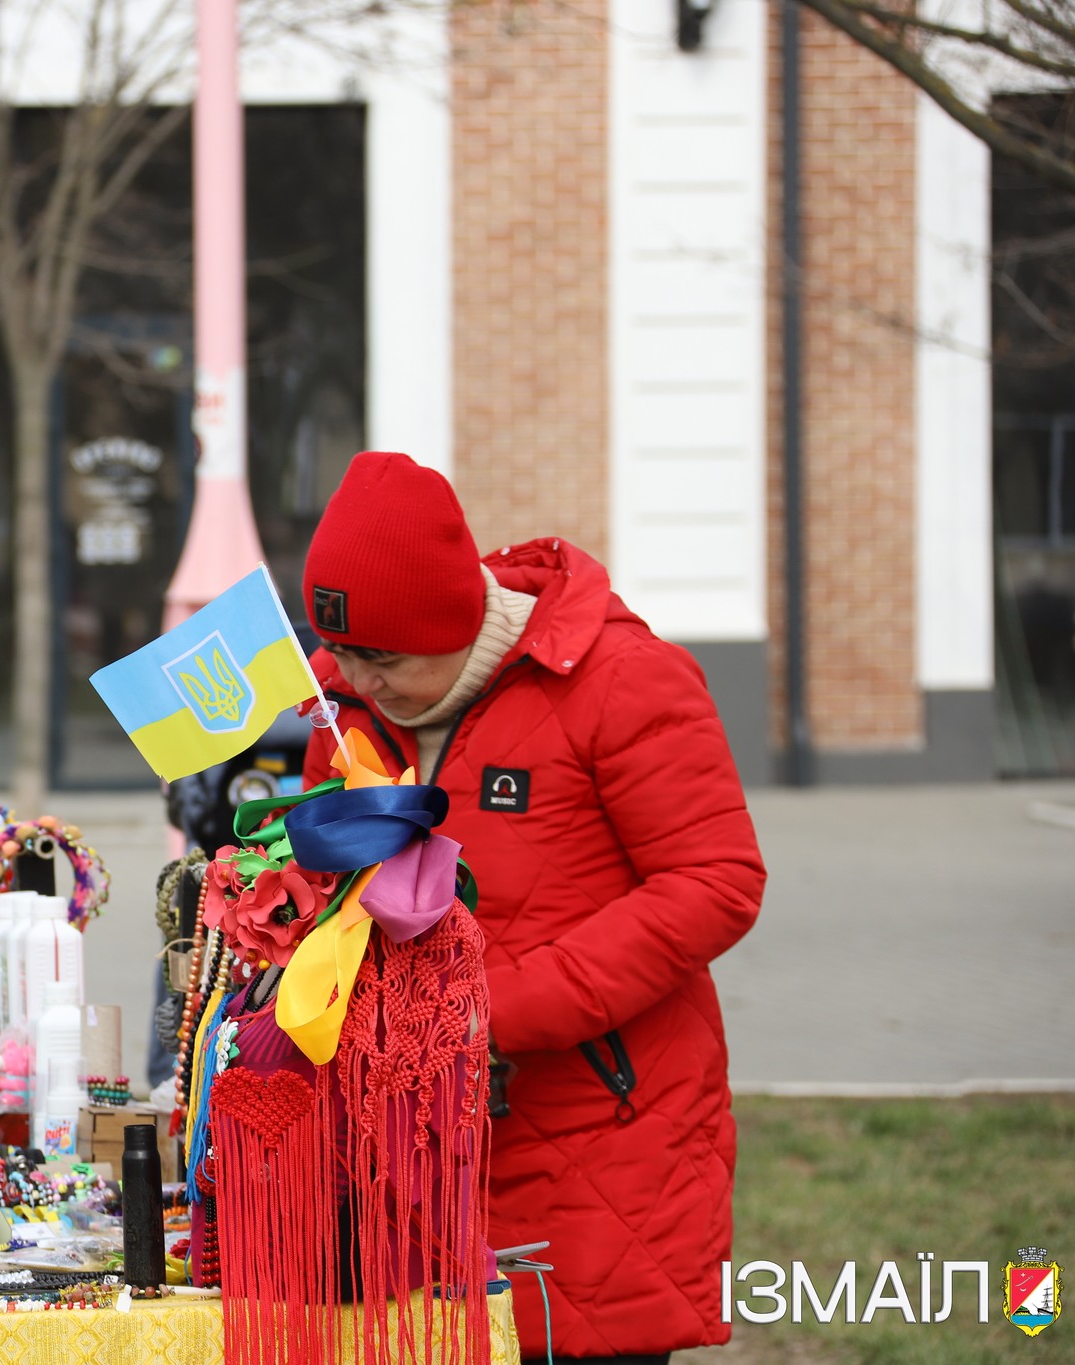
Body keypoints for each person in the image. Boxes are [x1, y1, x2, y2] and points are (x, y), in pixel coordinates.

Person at [297, 452, 766, 1364]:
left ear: (454, 621)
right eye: (340, 650)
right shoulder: (345, 699)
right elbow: (328, 890)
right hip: (404, 1149)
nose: (353, 674)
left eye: (381, 657)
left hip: (593, 1135)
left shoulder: (621, 679)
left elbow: (715, 879)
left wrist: (492, 1011)